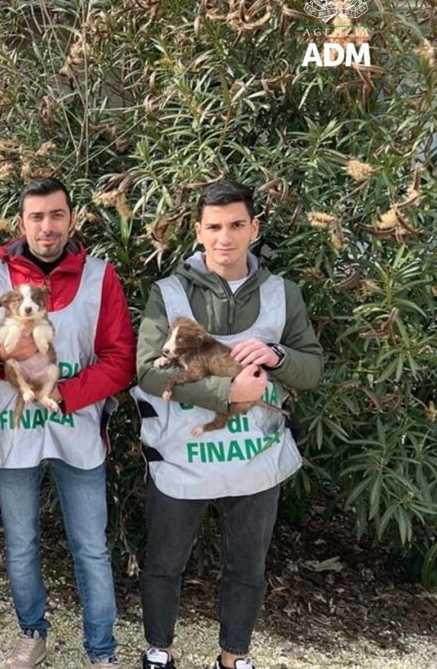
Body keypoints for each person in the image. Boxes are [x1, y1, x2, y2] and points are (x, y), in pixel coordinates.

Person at [131, 179, 323, 669]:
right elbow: (148, 371)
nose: (225, 237)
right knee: (164, 562)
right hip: (182, 457)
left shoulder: (284, 294)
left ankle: (234, 655)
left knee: (248, 567)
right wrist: (224, 392)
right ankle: (159, 650)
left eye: (237, 225)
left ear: (254, 228)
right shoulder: (168, 294)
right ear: (198, 231)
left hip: (255, 460)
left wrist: (277, 355)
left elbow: (313, 367)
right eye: (214, 226)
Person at [0, 177, 134, 669]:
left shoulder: (100, 276)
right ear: (21, 222)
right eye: (36, 216)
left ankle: (102, 651)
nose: (46, 226)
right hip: (12, 431)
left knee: (91, 546)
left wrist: (68, 392)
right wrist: (3, 356)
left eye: (56, 215)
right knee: (20, 542)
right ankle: (33, 633)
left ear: (72, 219)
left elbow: (121, 359)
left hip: (77, 427)